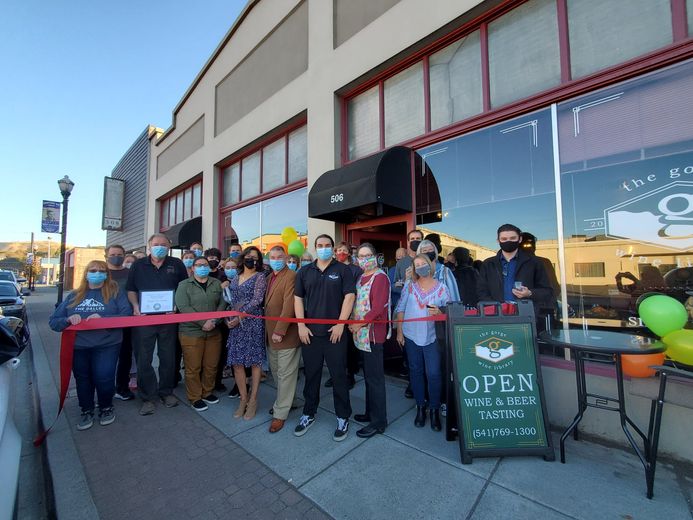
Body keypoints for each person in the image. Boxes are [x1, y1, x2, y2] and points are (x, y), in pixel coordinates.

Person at [49, 260, 132, 430]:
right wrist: (67, 320)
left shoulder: (116, 292)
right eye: (93, 270)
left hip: (107, 344)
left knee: (104, 376)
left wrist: (104, 320)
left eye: (101, 270)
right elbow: (54, 322)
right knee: (83, 379)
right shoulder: (74, 295)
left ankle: (106, 407)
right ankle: (86, 409)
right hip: (79, 346)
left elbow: (126, 317)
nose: (97, 273)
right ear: (86, 273)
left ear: (106, 274)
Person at [294, 234, 356, 441]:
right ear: (315, 247)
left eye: (327, 245)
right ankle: (308, 413)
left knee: (339, 376)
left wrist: (340, 324)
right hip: (310, 333)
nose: (324, 248)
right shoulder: (304, 271)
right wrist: (301, 325)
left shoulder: (343, 270)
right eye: (320, 246)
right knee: (311, 375)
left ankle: (342, 416)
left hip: (335, 334)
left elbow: (350, 297)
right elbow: (298, 299)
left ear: (333, 248)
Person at [126, 234, 188, 415]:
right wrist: (136, 307)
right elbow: (131, 289)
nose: (159, 247)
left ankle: (166, 392)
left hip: (168, 319)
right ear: (149, 246)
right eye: (156, 245)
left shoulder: (176, 264)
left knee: (168, 357)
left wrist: (176, 304)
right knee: (143, 358)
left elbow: (183, 288)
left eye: (163, 245)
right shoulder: (138, 265)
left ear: (169, 247)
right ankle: (148, 397)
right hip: (144, 319)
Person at [395, 254, 450, 431]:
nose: (420, 267)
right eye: (416, 265)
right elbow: (401, 308)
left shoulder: (442, 288)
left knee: (434, 373)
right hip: (411, 336)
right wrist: (400, 331)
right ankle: (420, 406)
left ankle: (434, 409)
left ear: (430, 265)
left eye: (423, 264)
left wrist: (439, 312)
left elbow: (449, 312)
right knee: (416, 371)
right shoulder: (410, 287)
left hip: (432, 338)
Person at [174, 256, 226, 411]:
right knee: (193, 367)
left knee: (211, 365)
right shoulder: (184, 285)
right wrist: (203, 323)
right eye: (199, 265)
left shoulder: (216, 283)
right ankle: (195, 397)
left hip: (214, 331)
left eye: (205, 265)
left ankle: (207, 391)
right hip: (191, 332)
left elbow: (223, 303)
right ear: (193, 268)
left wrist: (214, 321)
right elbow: (183, 306)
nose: (202, 267)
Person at [350, 243, 390, 438]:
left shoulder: (380, 277)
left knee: (375, 379)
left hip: (373, 335)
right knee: (368, 377)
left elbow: (378, 308)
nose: (364, 259)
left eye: (368, 255)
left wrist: (359, 324)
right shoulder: (360, 277)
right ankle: (369, 412)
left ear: (375, 256)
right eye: (361, 256)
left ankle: (379, 421)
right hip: (361, 335)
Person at [224, 246, 266, 420]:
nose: (251, 260)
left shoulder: (260, 277)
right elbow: (231, 300)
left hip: (253, 323)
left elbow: (257, 300)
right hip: (236, 325)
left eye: (255, 257)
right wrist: (230, 316)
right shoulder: (235, 277)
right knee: (237, 363)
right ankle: (243, 398)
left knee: (255, 363)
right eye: (248, 256)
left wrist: (240, 315)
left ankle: (254, 399)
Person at [477, 224, 553, 315]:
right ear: (498, 241)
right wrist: (497, 308)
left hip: (525, 316)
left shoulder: (534, 263)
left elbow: (547, 292)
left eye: (513, 238)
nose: (508, 241)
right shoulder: (488, 264)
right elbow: (481, 292)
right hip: (495, 316)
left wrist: (529, 293)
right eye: (504, 239)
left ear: (520, 239)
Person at [264, 246, 301, 433]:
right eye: (273, 257)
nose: (276, 259)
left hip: (285, 335)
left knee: (285, 374)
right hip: (270, 335)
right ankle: (289, 401)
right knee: (277, 371)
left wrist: (280, 330)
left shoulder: (291, 276)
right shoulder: (270, 277)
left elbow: (289, 305)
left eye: (279, 257)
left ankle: (280, 414)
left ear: (286, 258)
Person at [327, 241, 361, 389]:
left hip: (350, 312)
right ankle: (334, 375)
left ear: (349, 253)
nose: (341, 252)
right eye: (338, 250)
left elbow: (358, 292)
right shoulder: (330, 268)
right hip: (333, 310)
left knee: (348, 347)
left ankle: (349, 375)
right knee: (333, 346)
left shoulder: (355, 270)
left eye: (344, 250)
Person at [106, 244, 136, 401]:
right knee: (106, 357)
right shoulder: (101, 273)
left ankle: (122, 387)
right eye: (112, 254)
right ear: (107, 256)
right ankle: (105, 389)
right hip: (105, 321)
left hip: (127, 319)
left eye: (119, 254)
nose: (116, 256)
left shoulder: (130, 273)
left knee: (125, 355)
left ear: (124, 255)